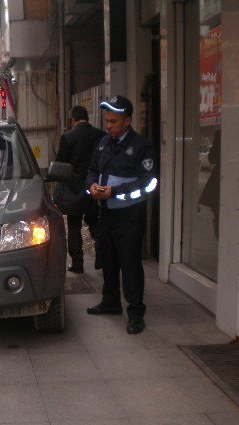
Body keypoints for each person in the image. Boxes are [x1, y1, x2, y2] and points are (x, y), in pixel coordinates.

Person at [86, 95, 157, 334]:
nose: (108, 126)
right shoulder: (104, 143)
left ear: (127, 121)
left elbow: (149, 183)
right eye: (107, 121)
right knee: (108, 259)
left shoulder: (141, 146)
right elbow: (92, 170)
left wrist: (115, 192)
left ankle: (135, 312)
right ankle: (110, 302)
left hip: (129, 217)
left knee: (130, 264)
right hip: (106, 214)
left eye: (113, 121)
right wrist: (92, 187)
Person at [56, 105, 106, 273]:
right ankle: (102, 257)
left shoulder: (67, 137)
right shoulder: (101, 135)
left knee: (74, 225)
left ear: (72, 120)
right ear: (87, 117)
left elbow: (61, 163)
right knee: (94, 222)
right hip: (94, 188)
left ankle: (77, 264)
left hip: (73, 189)